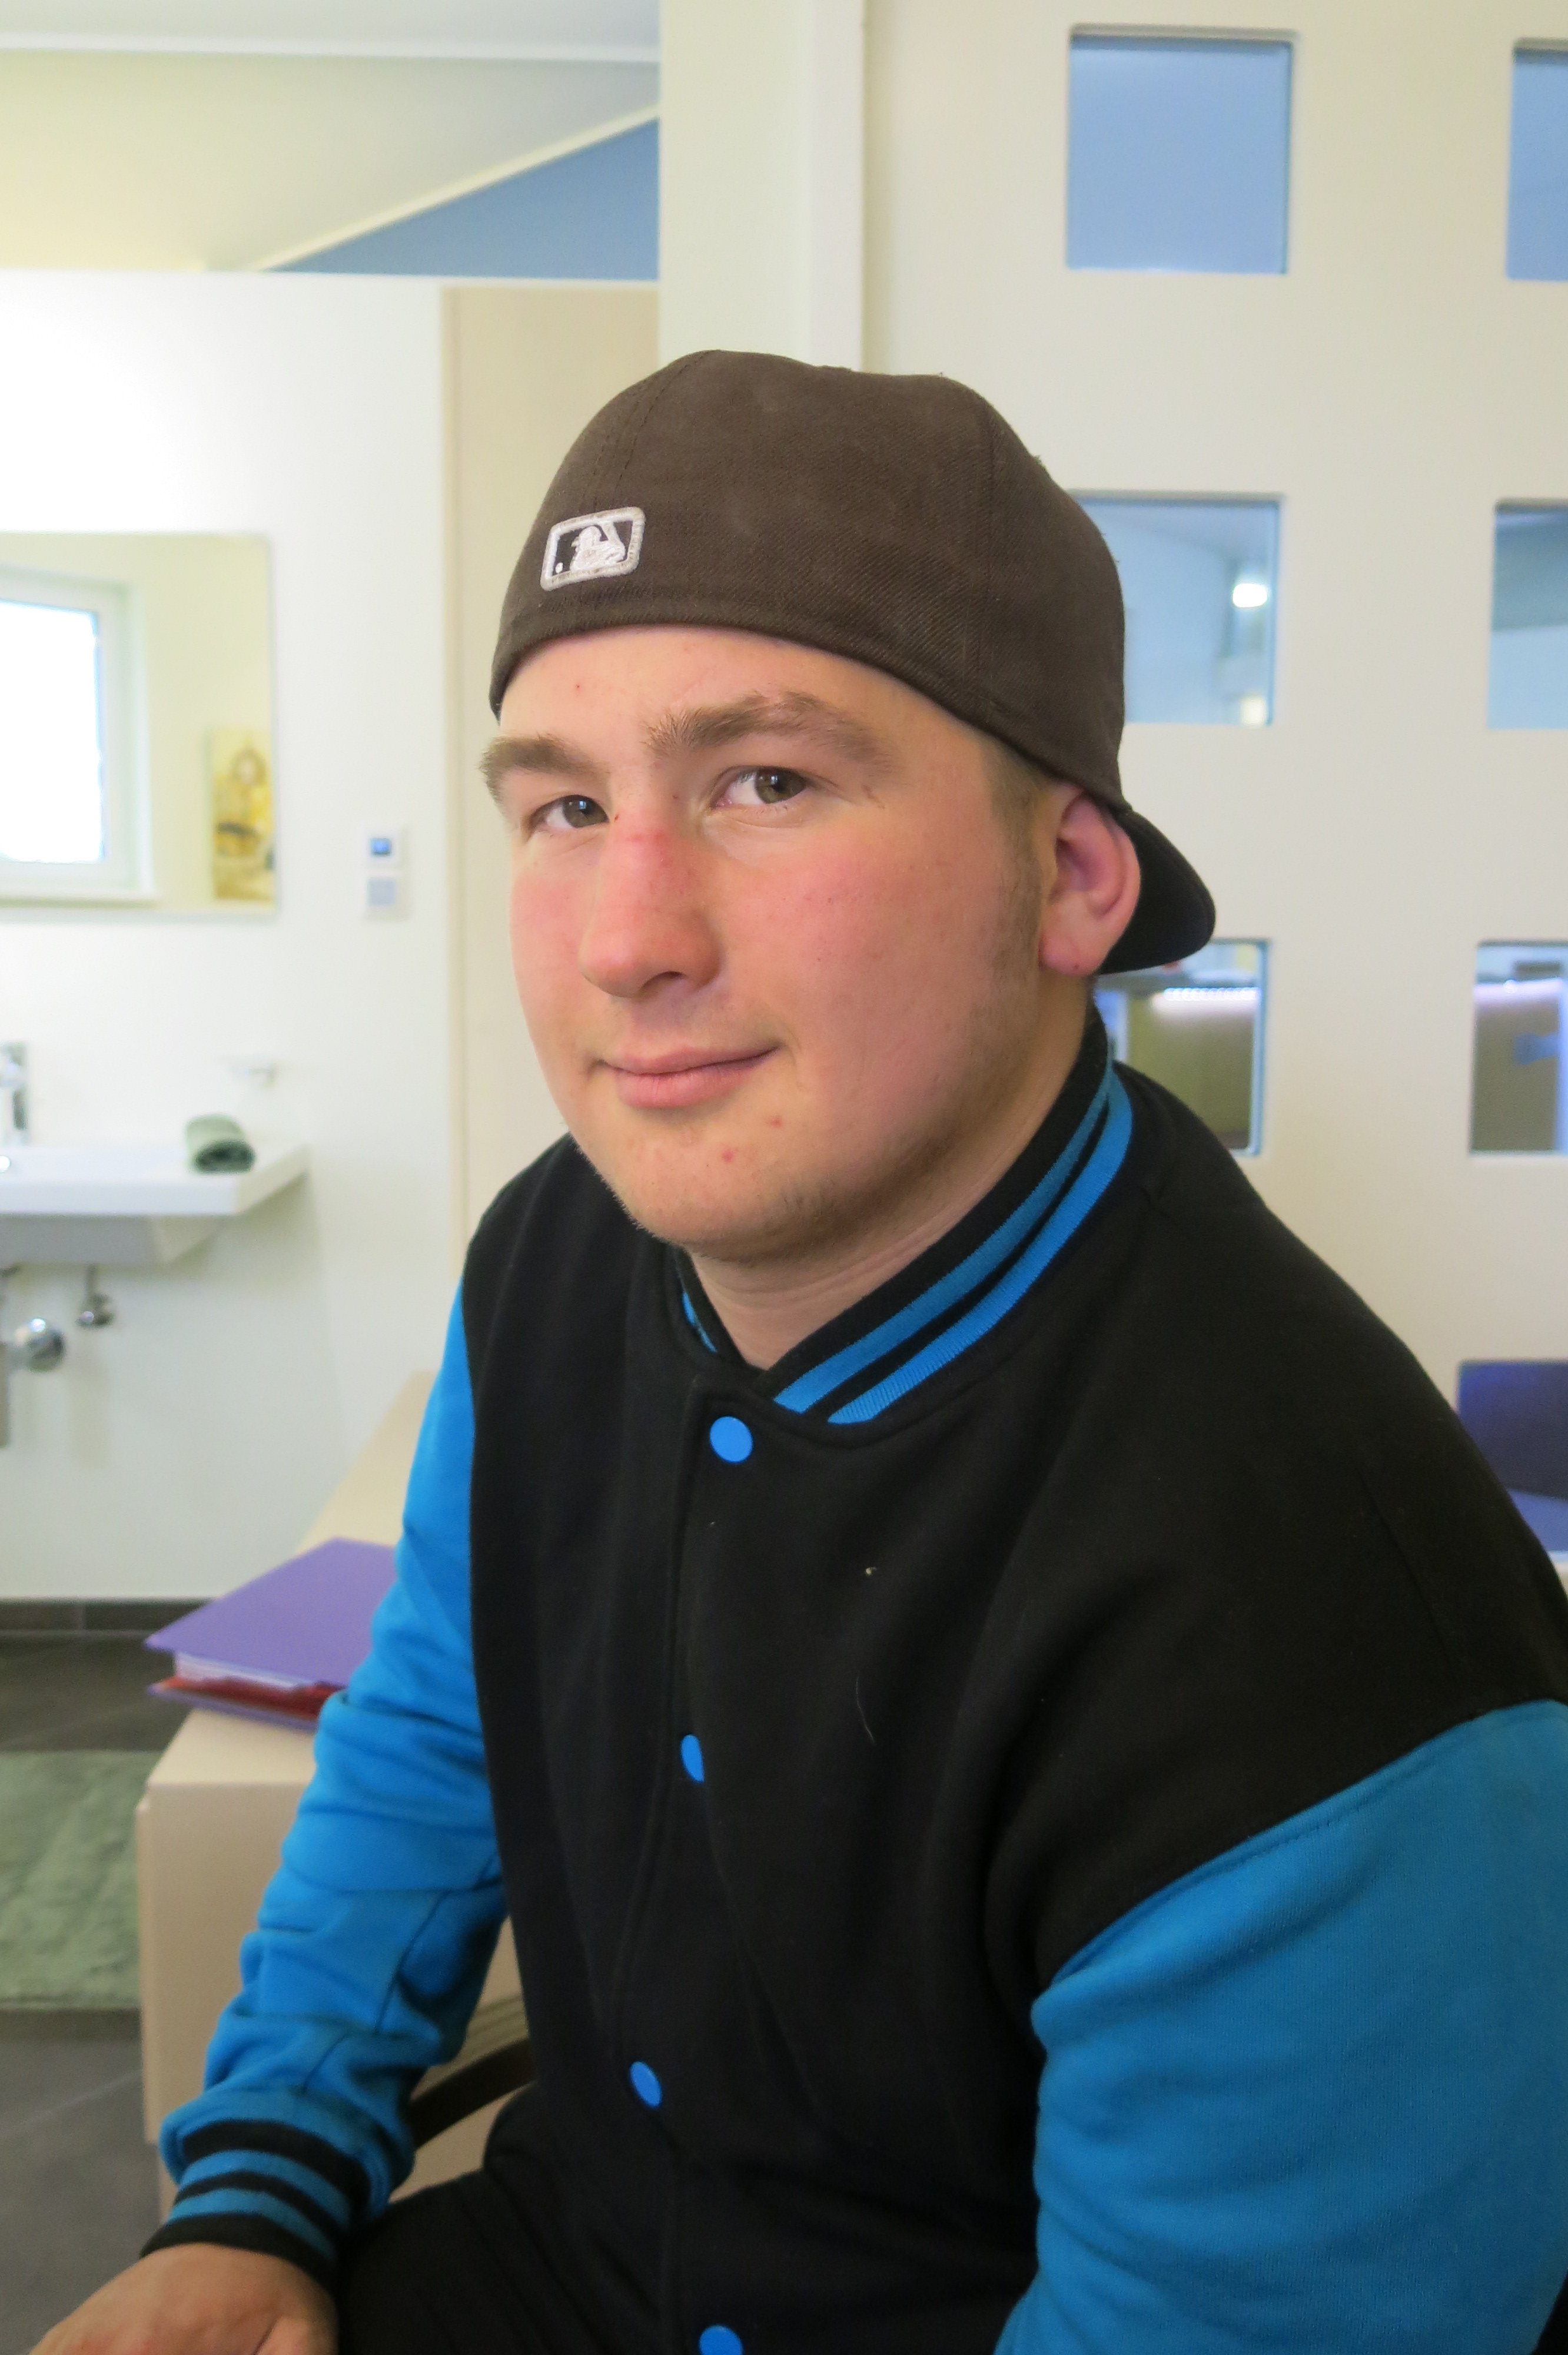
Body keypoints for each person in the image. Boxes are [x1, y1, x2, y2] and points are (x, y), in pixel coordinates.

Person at [37, 354, 1568, 2355]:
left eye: (766, 782)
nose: (627, 939)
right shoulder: (556, 1256)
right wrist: (255, 2186)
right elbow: (437, 1732)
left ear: (1069, 877)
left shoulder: (1321, 1640)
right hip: (567, 2267)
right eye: (566, 806)